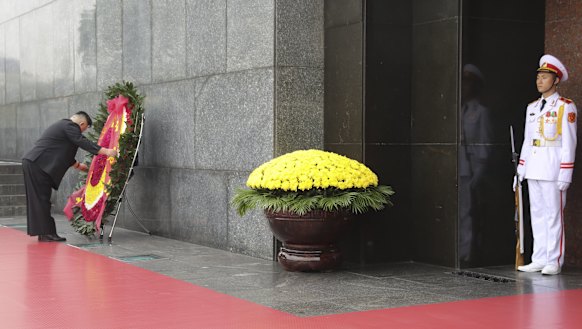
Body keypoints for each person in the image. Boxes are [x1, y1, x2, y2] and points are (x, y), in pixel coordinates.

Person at [514, 54, 577, 275]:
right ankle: (539, 258)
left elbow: (569, 142)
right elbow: (527, 140)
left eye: (545, 77)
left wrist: (565, 173)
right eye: (539, 76)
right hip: (534, 168)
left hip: (552, 168)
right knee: (537, 214)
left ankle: (554, 259)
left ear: (556, 80)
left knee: (553, 215)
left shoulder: (565, 107)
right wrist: (521, 169)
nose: (540, 81)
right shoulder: (532, 107)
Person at [22, 111, 117, 242]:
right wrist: (105, 151)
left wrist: (79, 165)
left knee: (40, 200)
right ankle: (46, 233)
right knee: (41, 199)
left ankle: (44, 233)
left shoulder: (63, 127)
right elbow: (81, 141)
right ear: (82, 124)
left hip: (36, 164)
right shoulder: (70, 126)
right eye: (83, 130)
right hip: (38, 165)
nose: (81, 132)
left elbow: (62, 151)